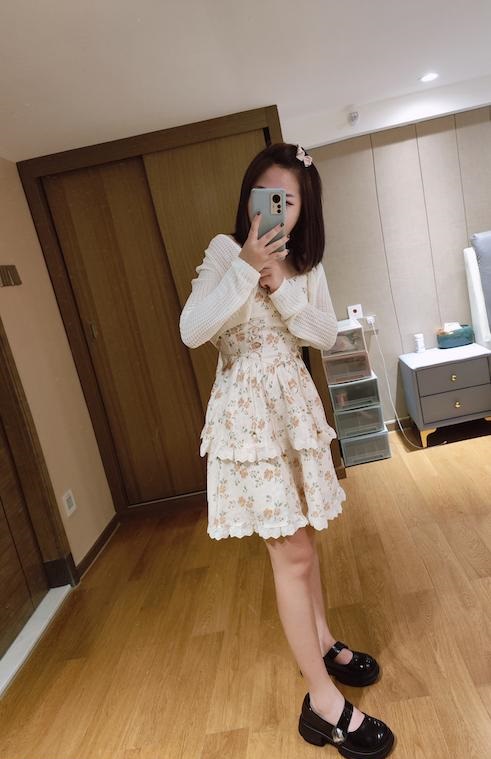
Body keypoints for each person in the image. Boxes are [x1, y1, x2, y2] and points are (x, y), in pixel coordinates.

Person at [180, 143, 395, 758]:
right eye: (265, 194)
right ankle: (323, 704)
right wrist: (247, 267)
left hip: (293, 415)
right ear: (249, 198)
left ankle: (322, 641)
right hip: (250, 425)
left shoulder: (307, 265)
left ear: (304, 209)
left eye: (289, 199)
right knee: (292, 554)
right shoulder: (224, 253)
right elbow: (193, 330)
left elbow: (323, 335)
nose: (275, 207)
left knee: (305, 547)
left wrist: (284, 287)